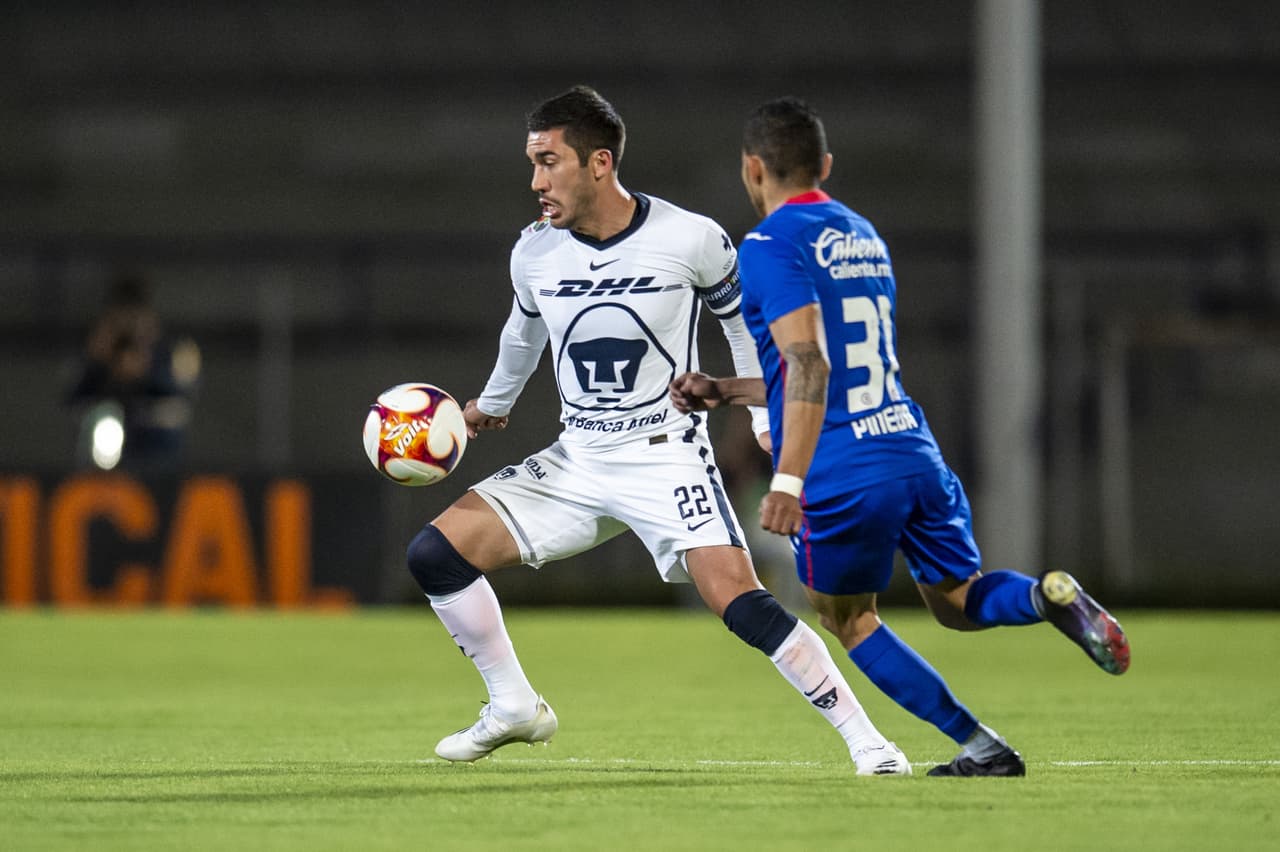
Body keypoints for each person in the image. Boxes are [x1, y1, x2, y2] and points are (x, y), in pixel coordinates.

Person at [406, 85, 910, 775]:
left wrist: (762, 415)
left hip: (664, 455)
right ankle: (514, 706)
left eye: (549, 162)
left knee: (739, 603)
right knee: (434, 555)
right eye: (531, 163)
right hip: (577, 458)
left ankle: (870, 743)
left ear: (599, 163)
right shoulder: (534, 253)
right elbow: (521, 332)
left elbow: (739, 324)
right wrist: (489, 405)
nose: (535, 182)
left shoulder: (691, 238)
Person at [669, 97, 1130, 777]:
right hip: (911, 445)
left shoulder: (767, 247)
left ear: (752, 169)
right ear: (824, 165)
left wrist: (788, 480)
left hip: (843, 465)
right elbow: (836, 366)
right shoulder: (862, 233)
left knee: (848, 618)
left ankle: (983, 747)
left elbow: (808, 364)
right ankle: (1045, 596)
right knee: (960, 600)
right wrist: (729, 389)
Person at [67, 273, 198, 469]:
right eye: (120, 316)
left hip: (159, 457)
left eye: (134, 316)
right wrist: (97, 363)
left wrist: (147, 373)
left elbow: (184, 400)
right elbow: (73, 401)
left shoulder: (171, 352)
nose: (128, 326)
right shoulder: (97, 353)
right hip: (102, 464)